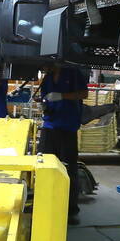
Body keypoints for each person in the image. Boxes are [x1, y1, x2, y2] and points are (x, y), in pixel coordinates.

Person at [39, 62, 90, 224]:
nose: (44, 69)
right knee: (43, 167)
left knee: (68, 169)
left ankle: (70, 210)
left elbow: (84, 93)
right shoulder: (47, 78)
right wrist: (44, 105)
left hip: (67, 127)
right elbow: (44, 97)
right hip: (49, 126)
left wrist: (62, 96)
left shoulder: (73, 72)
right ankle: (45, 206)